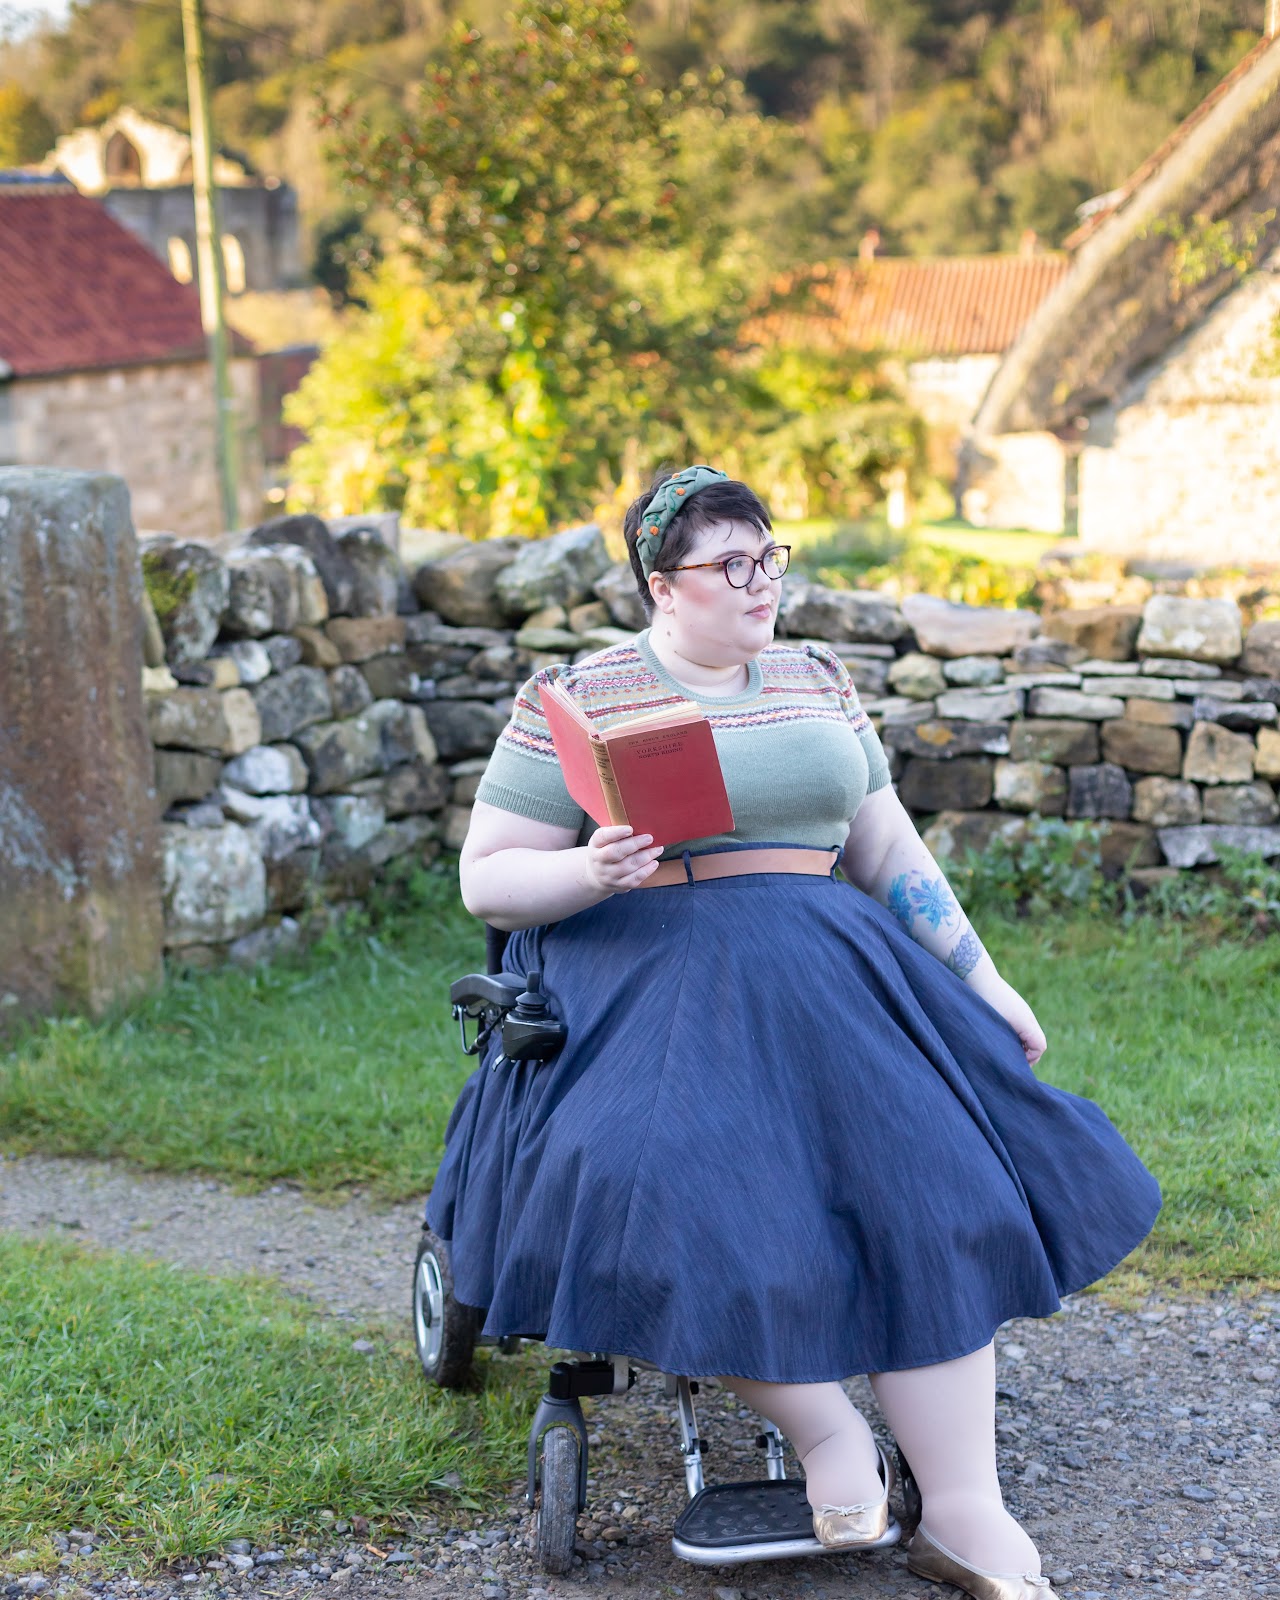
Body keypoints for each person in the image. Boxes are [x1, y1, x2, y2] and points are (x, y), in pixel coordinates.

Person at [427, 466, 1161, 1600]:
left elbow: (887, 852)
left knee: (933, 1176)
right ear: (661, 585)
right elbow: (490, 877)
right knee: (673, 1184)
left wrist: (984, 978)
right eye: (732, 565)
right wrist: (585, 865)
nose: (762, 582)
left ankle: (964, 1504)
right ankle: (828, 1437)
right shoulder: (578, 694)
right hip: (650, 971)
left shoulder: (818, 679)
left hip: (827, 966)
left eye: (769, 557)